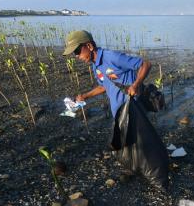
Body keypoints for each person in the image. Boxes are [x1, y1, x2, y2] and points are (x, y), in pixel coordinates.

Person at [63, 30, 169, 191]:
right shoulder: (95, 65)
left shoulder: (112, 57)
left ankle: (158, 176)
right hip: (120, 112)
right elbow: (104, 85)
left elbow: (145, 64)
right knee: (129, 143)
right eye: (74, 54)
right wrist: (85, 95)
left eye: (77, 51)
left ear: (89, 46)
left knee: (145, 144)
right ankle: (135, 167)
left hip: (133, 108)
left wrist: (136, 84)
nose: (76, 56)